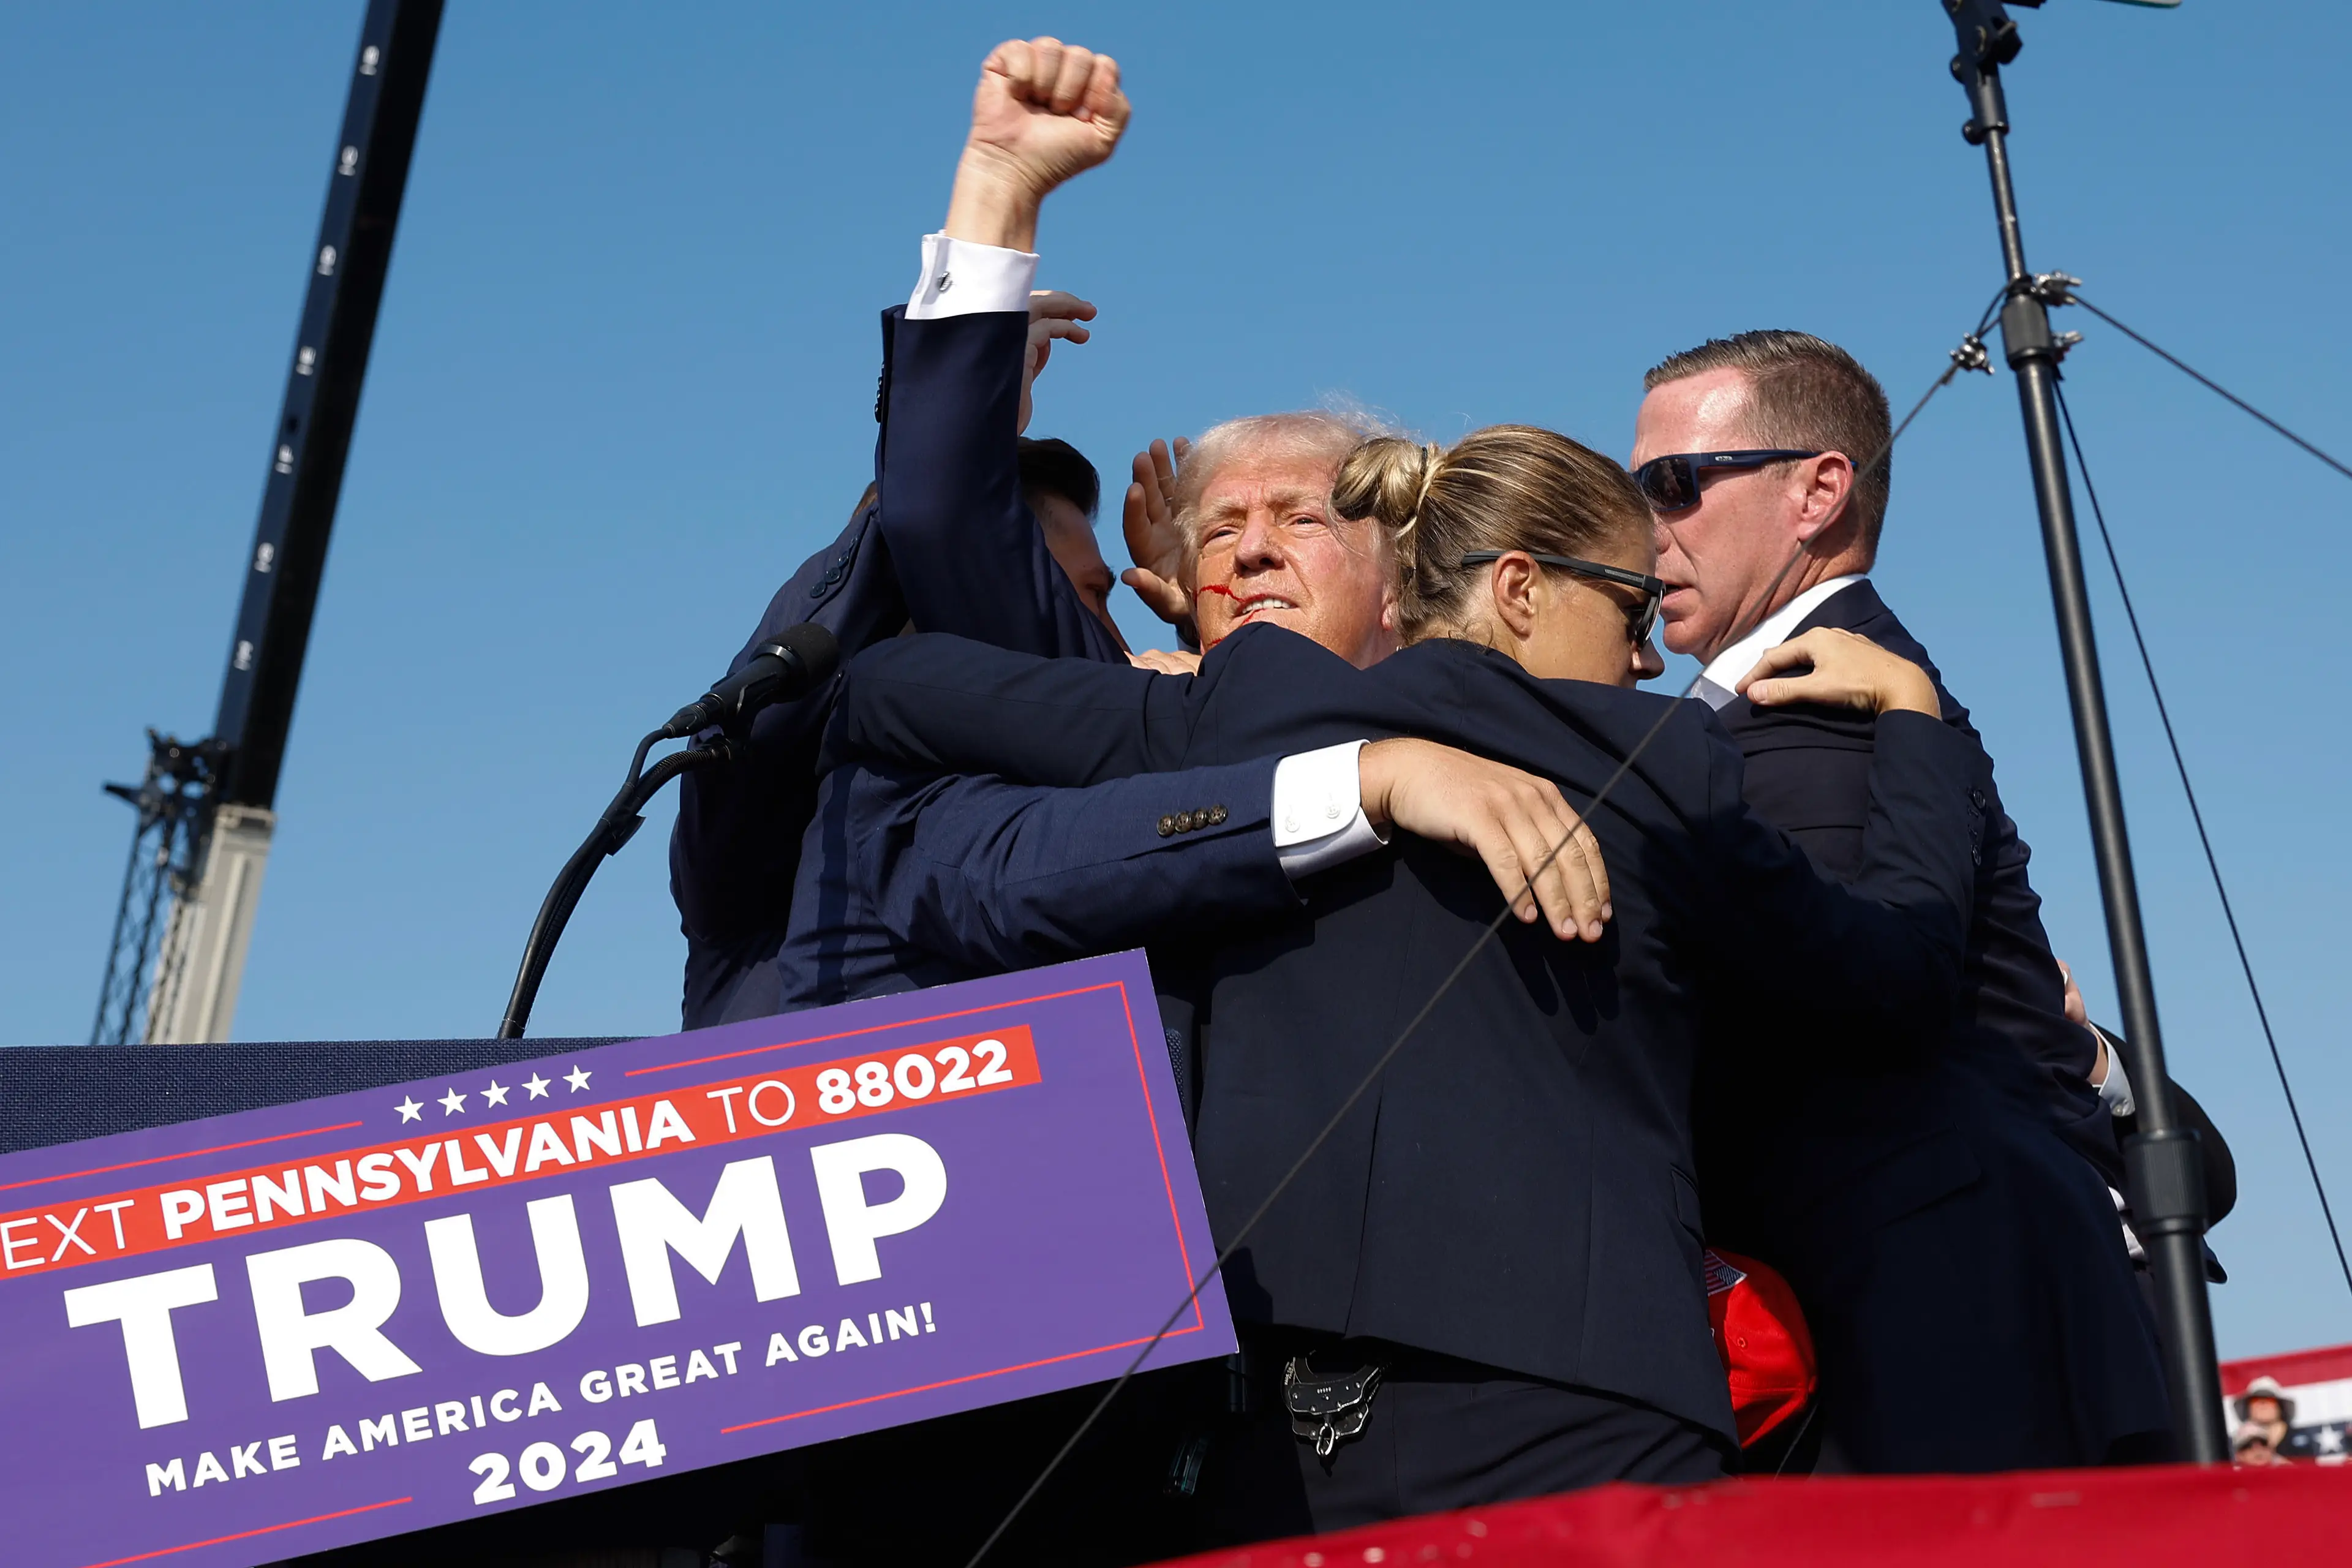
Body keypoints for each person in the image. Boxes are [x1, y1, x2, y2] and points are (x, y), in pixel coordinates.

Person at [816, 423, 1992, 1539]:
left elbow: (884, 694)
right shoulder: (1664, 755)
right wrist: (1919, 723)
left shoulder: (1253, 706)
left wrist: (1154, 693)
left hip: (1269, 1431)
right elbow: (1896, 978)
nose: (1646, 653)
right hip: (1577, 1412)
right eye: (1632, 607)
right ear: (1522, 588)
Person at [1630, 329, 2174, 1469]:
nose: (1644, 530)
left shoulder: (1826, 704)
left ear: (1818, 490)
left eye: (1674, 485)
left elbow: (1859, 993)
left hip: (1936, 1324)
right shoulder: (1822, 697)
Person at [668, 37, 1134, 1030]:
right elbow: (930, 518)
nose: (1104, 612)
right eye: (1073, 588)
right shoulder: (767, 863)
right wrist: (964, 405)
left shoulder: (1129, 785)